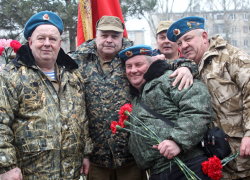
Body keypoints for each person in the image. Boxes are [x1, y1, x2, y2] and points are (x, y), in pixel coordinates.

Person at [69, 15, 199, 180]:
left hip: (130, 156)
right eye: (104, 35)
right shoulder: (79, 59)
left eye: (115, 36)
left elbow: (162, 62)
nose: (109, 40)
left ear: (121, 37)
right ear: (96, 35)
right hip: (96, 156)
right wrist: (84, 152)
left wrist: (186, 67)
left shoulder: (131, 55)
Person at [0, 11, 91, 179]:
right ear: (30, 41)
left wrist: (86, 153)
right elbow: (1, 123)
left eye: (52, 39)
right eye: (41, 38)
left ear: (59, 43)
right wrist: (6, 166)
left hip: (69, 172)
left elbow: (81, 116)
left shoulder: (72, 74)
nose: (47, 44)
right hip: (31, 173)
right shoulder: (11, 76)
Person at [167, 16, 250, 180]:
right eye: (180, 43)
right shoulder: (189, 68)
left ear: (204, 37)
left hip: (244, 158)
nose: (184, 46)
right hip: (216, 163)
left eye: (188, 39)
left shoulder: (231, 57)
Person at [118, 44, 214, 180]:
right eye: (129, 66)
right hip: (159, 171)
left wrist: (178, 141)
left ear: (152, 64)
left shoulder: (169, 78)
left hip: (187, 166)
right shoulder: (136, 98)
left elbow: (198, 109)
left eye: (138, 64)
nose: (133, 70)